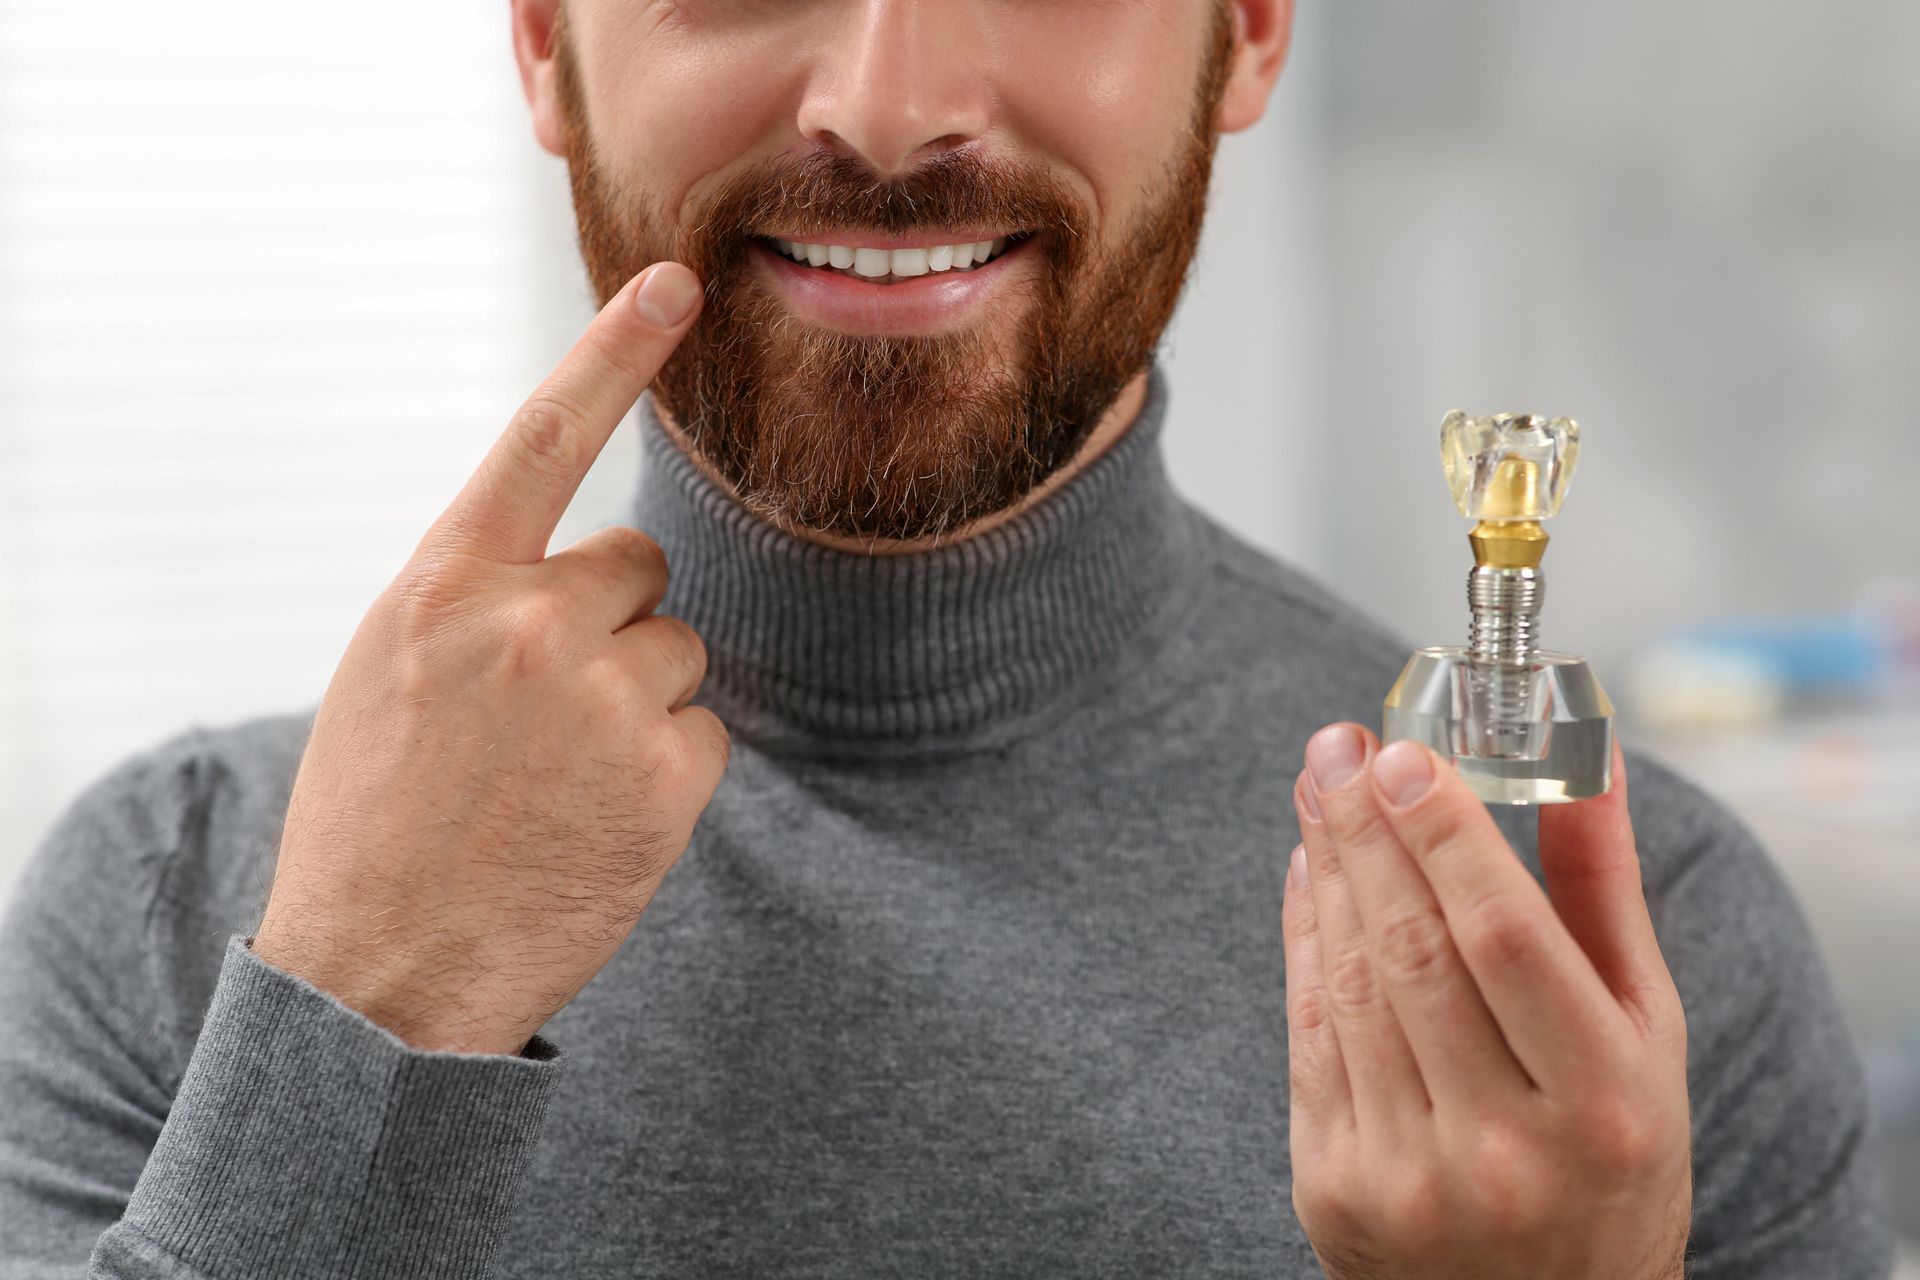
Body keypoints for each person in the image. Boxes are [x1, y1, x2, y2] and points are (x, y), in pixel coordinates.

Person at [0, 1, 1896, 1275]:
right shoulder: (177, 911)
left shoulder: (1619, 979)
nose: (887, 105)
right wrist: (363, 1029)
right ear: (543, 45)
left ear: (1244, 30)